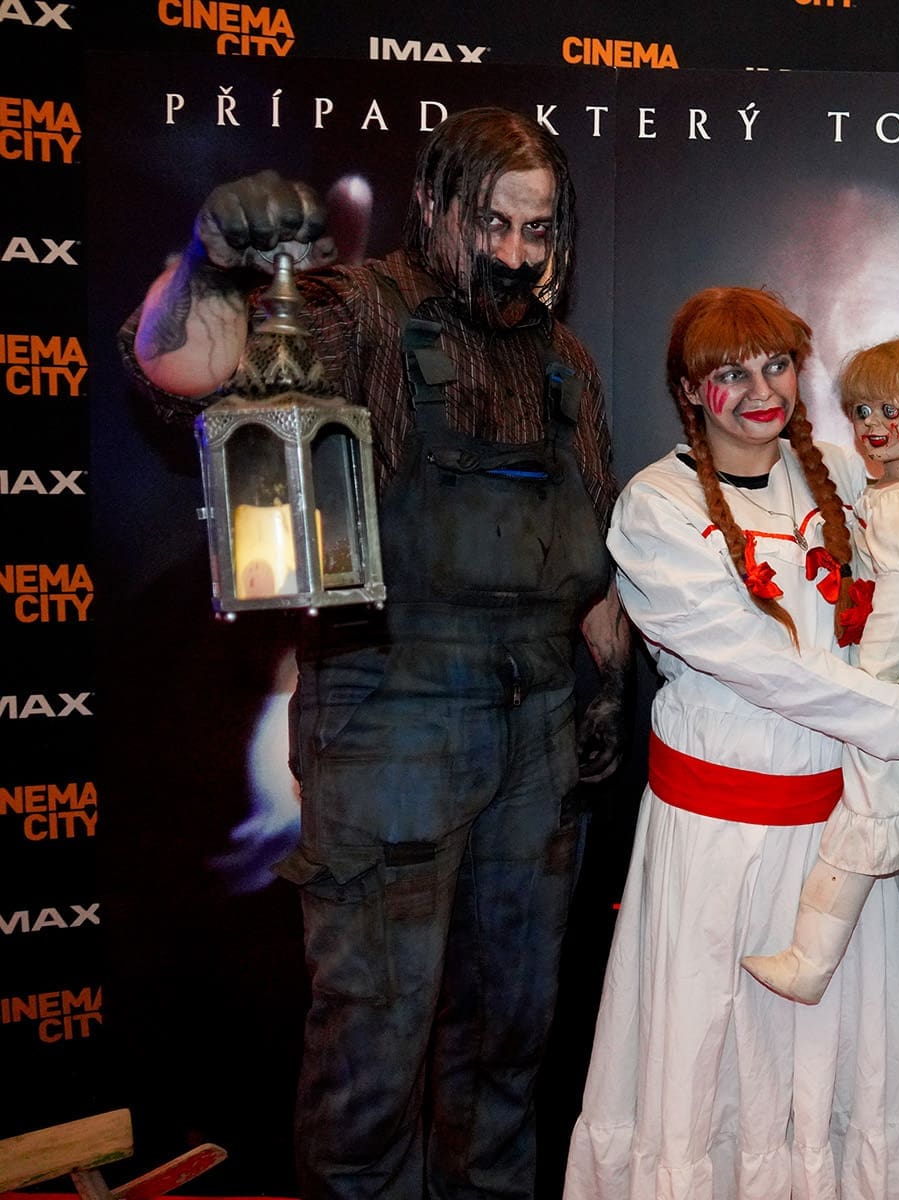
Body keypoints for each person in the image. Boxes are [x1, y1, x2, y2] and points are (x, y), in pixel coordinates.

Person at [122, 107, 627, 1200]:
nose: (515, 254)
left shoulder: (566, 362)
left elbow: (587, 552)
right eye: (492, 223)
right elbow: (183, 366)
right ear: (434, 204)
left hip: (539, 722)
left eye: (537, 230)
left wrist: (610, 689)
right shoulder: (354, 309)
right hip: (392, 709)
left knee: (510, 1044)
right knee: (373, 1052)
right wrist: (205, 264)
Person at [564, 288, 899, 1199]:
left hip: (837, 839)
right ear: (689, 391)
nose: (760, 390)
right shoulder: (655, 508)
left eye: (776, 365)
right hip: (715, 843)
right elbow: (760, 664)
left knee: (841, 1065)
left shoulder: (845, 478)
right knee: (702, 1064)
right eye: (729, 374)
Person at [742, 333, 899, 1004]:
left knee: (865, 813)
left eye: (890, 411)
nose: (873, 427)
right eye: (863, 412)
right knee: (897, 800)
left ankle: (808, 963)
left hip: (898, 672)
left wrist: (874, 697)